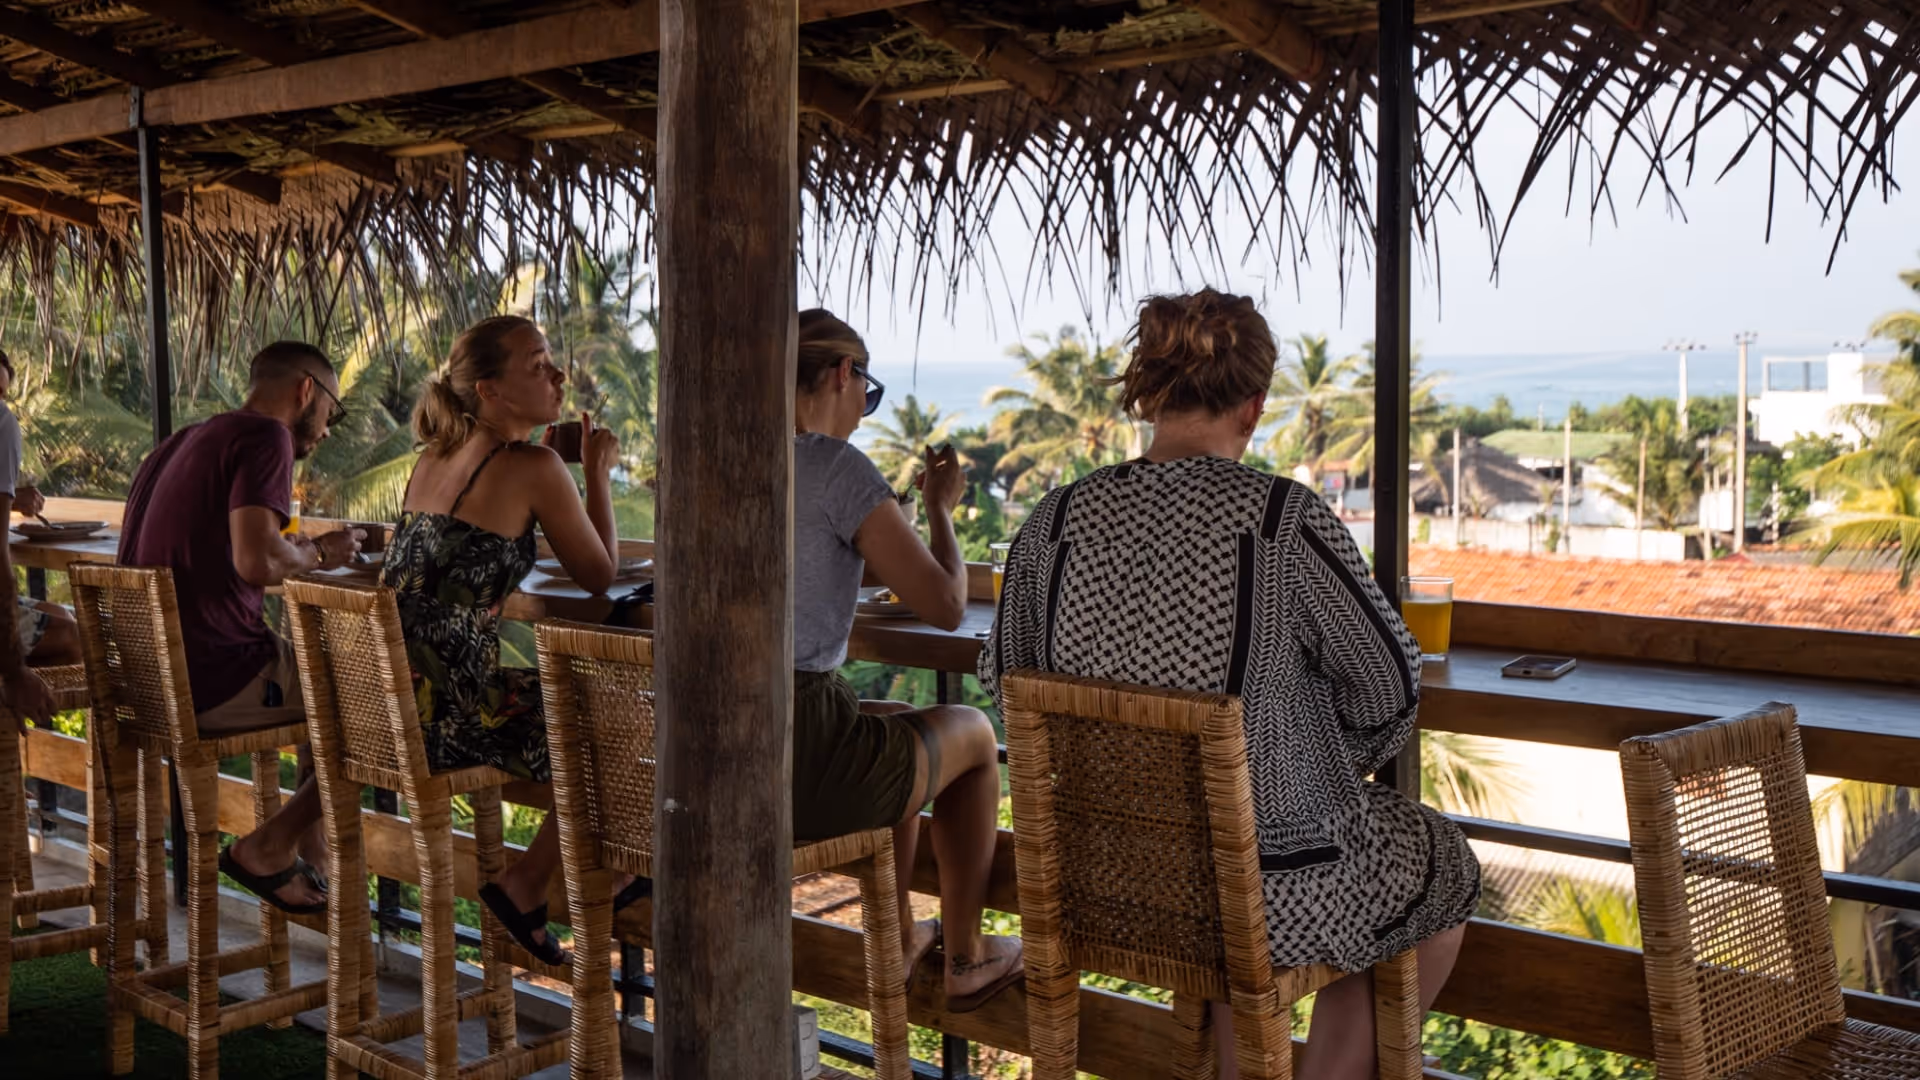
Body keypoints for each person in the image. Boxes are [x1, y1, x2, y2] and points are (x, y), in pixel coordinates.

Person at [978, 289, 1478, 1079]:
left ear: (1148, 393)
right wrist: (1311, 760)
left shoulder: (1054, 521)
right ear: (1253, 407)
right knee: (1436, 868)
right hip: (1261, 892)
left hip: (1101, 879)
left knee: (1243, 877)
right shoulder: (1281, 522)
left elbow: (1006, 682)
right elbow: (1389, 686)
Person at [382, 315, 632, 965]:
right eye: (538, 364)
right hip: (451, 717)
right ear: (490, 391)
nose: (558, 375)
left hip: (394, 699)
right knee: (620, 721)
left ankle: (609, 863)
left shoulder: (430, 459)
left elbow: (444, 573)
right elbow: (601, 576)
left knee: (594, 707)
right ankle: (535, 882)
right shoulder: (536, 465)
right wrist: (597, 474)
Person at [793, 309, 1023, 1013]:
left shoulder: (730, 455)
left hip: (719, 745)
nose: (866, 409)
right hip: (795, 754)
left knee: (894, 719)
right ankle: (965, 955)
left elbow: (817, 563)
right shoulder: (834, 466)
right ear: (843, 374)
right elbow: (950, 607)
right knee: (978, 736)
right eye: (870, 389)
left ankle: (892, 938)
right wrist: (941, 510)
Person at [119, 341, 363, 914]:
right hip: (209, 678)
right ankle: (274, 849)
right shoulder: (266, 436)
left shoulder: (181, 441)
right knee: (376, 711)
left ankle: (306, 858)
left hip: (142, 681)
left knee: (321, 683)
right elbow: (257, 561)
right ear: (307, 390)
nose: (327, 429)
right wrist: (323, 553)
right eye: (332, 409)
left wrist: (292, 550)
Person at [0, 346, 82, 735]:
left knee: (62, 615)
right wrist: (14, 672)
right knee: (74, 638)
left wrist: (10, 498)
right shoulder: (1, 424)